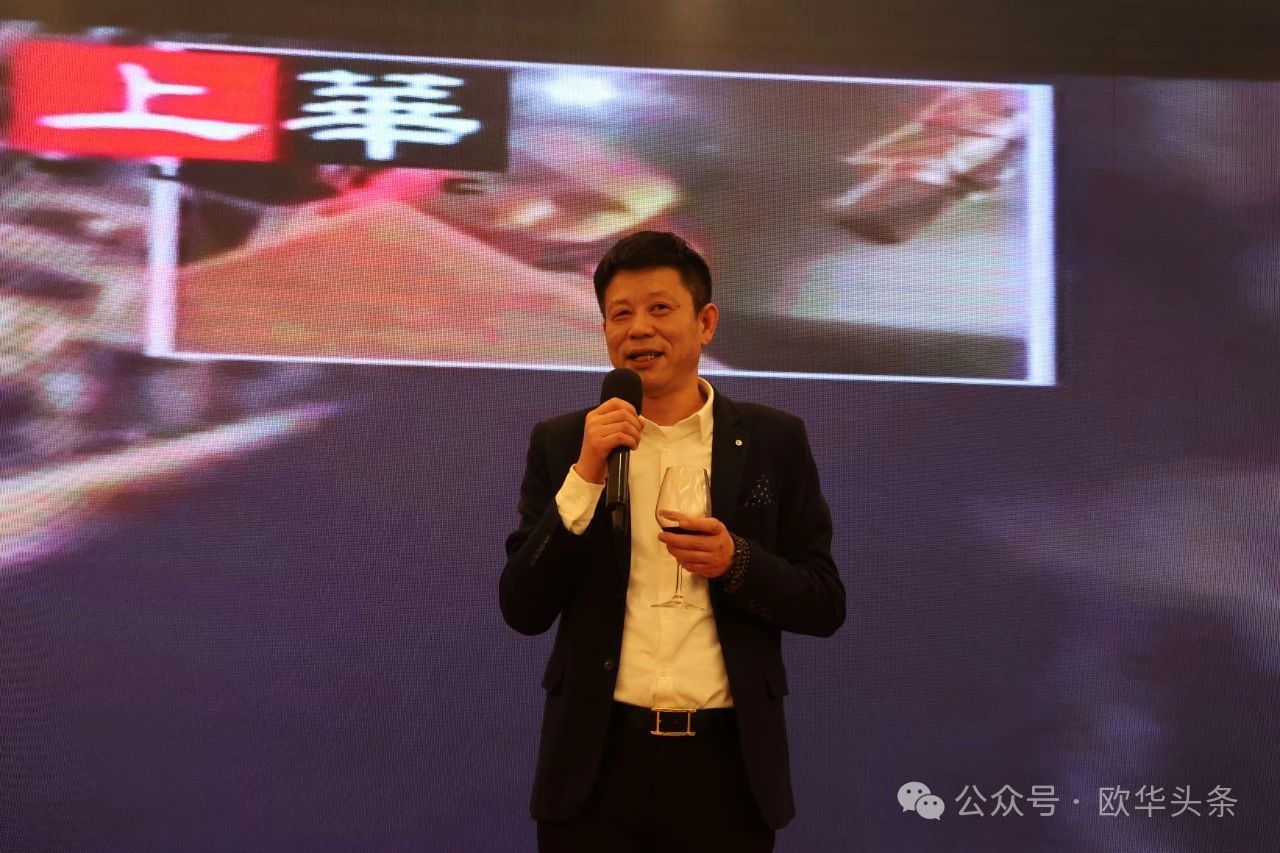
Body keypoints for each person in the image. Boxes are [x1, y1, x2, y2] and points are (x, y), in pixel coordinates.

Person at [500, 230, 845, 852]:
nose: (639, 329)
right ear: (605, 331)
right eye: (620, 314)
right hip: (596, 768)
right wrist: (586, 475)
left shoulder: (773, 441)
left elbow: (824, 603)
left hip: (726, 768)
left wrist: (737, 561)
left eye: (660, 308)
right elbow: (523, 607)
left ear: (705, 322)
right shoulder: (563, 443)